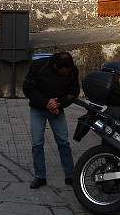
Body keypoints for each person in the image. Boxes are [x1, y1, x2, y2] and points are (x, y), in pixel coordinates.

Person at [22, 51, 79, 189]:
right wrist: (46, 102)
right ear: (55, 67)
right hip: (38, 109)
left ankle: (70, 175)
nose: (66, 74)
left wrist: (59, 104)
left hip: (57, 109)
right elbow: (28, 88)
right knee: (37, 143)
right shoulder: (38, 66)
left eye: (68, 72)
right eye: (63, 72)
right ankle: (40, 176)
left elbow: (74, 91)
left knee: (63, 142)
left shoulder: (72, 71)